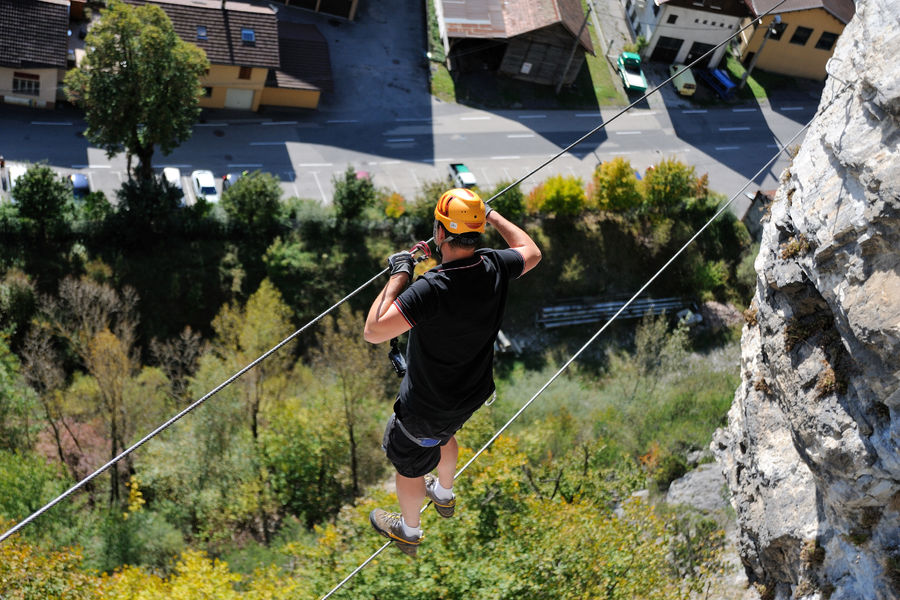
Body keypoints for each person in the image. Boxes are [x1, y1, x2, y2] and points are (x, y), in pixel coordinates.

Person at [363, 187, 541, 556]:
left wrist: (401, 272)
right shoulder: (493, 264)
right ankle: (444, 494)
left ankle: (408, 532)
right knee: (443, 435)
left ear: (440, 233)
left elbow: (374, 330)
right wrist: (489, 214)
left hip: (428, 405)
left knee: (410, 464)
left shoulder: (432, 288)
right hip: (470, 391)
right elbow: (532, 252)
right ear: (478, 232)